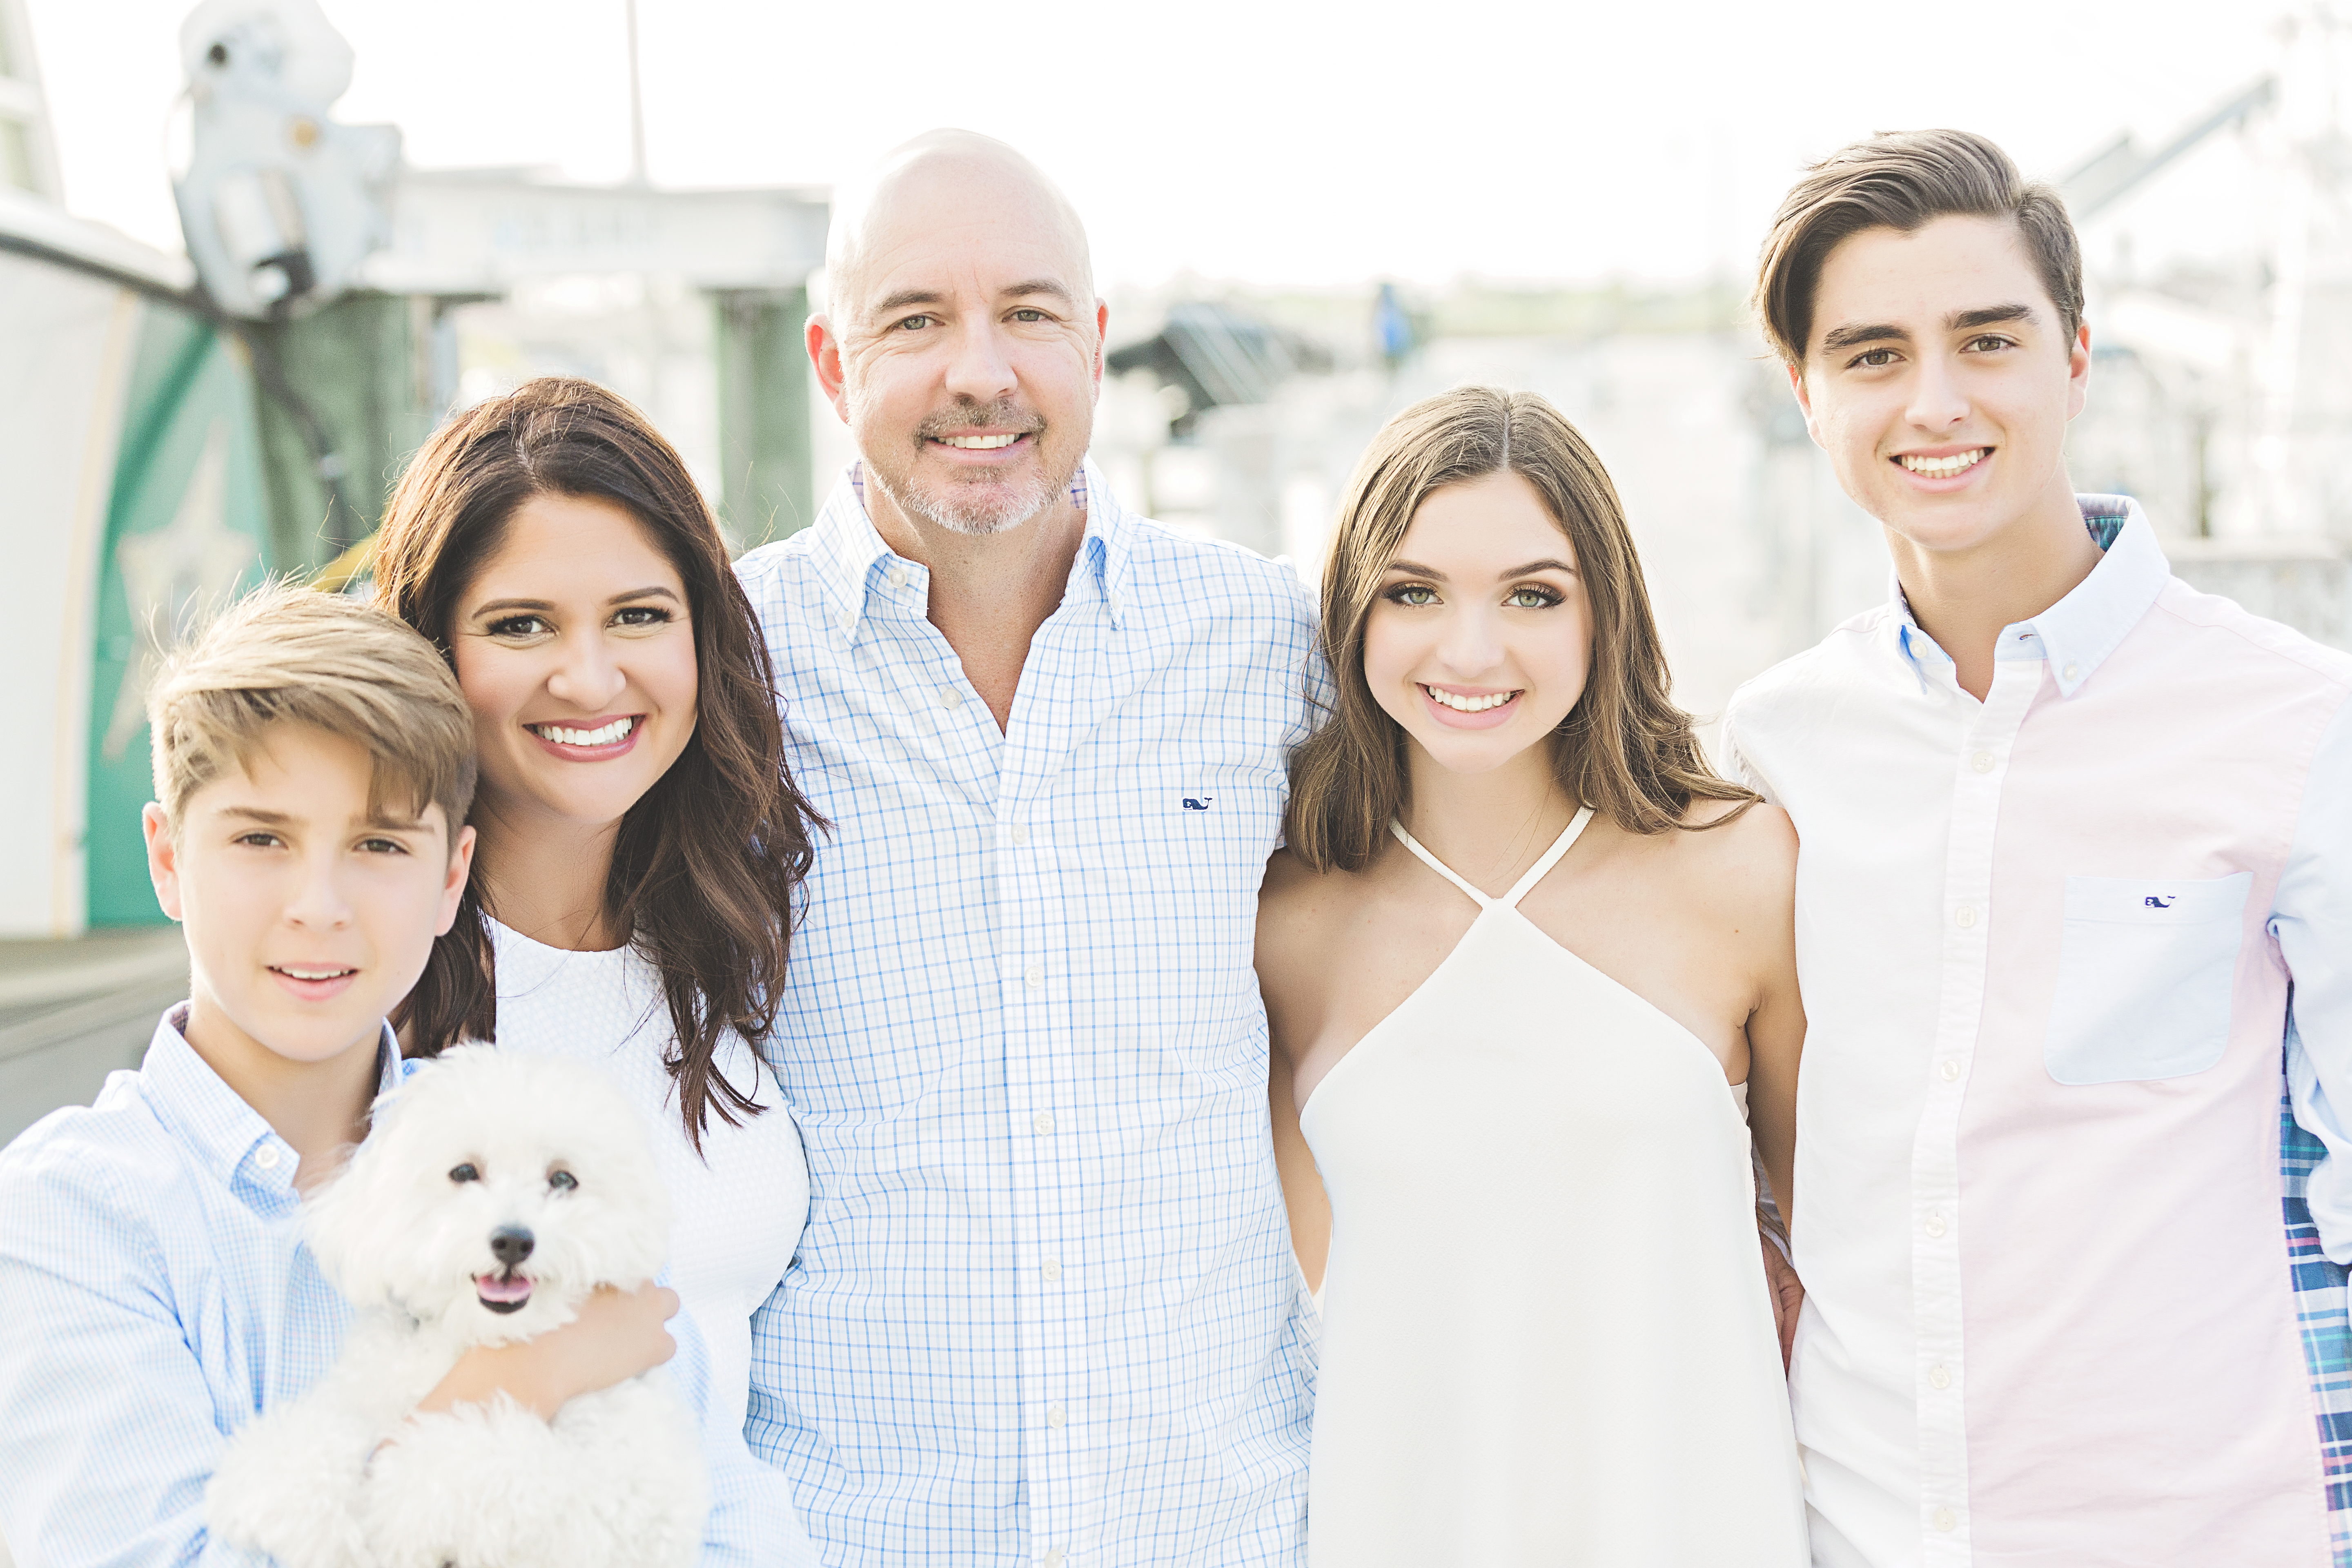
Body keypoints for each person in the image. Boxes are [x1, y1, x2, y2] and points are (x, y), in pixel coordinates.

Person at [1723, 128, 2352, 1567]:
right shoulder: (1776, 747)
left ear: (2076, 357)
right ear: (1807, 395)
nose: (1935, 402)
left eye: (1985, 340)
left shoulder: (2301, 725)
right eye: (1872, 355)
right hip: (1860, 1529)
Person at [734, 129, 1321, 1564]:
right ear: (830, 363)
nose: (980, 372)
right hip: (850, 1536)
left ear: (1098, 347)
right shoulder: (721, 673)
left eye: (1031, 315)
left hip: (1218, 1529)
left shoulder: (1269, 645)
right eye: (916, 321)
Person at [0, 588, 762, 1563]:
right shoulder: (76, 1211)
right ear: (168, 859)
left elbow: (728, 1515)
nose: (318, 906)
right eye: (261, 839)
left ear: (453, 877)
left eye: (378, 846)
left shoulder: (550, 1170)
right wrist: (516, 1384)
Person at [1256, 385, 1809, 1565]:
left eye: (1532, 595)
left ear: (1604, 613)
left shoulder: (1743, 869)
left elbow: (1838, 1259)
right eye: (1414, 593)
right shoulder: (1288, 923)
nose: (1471, 649)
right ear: (1354, 613)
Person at [372, 375, 822, 1559]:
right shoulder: (368, 991)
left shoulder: (728, 942)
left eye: (637, 616)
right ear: (435, 653)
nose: (587, 677)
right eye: (521, 626)